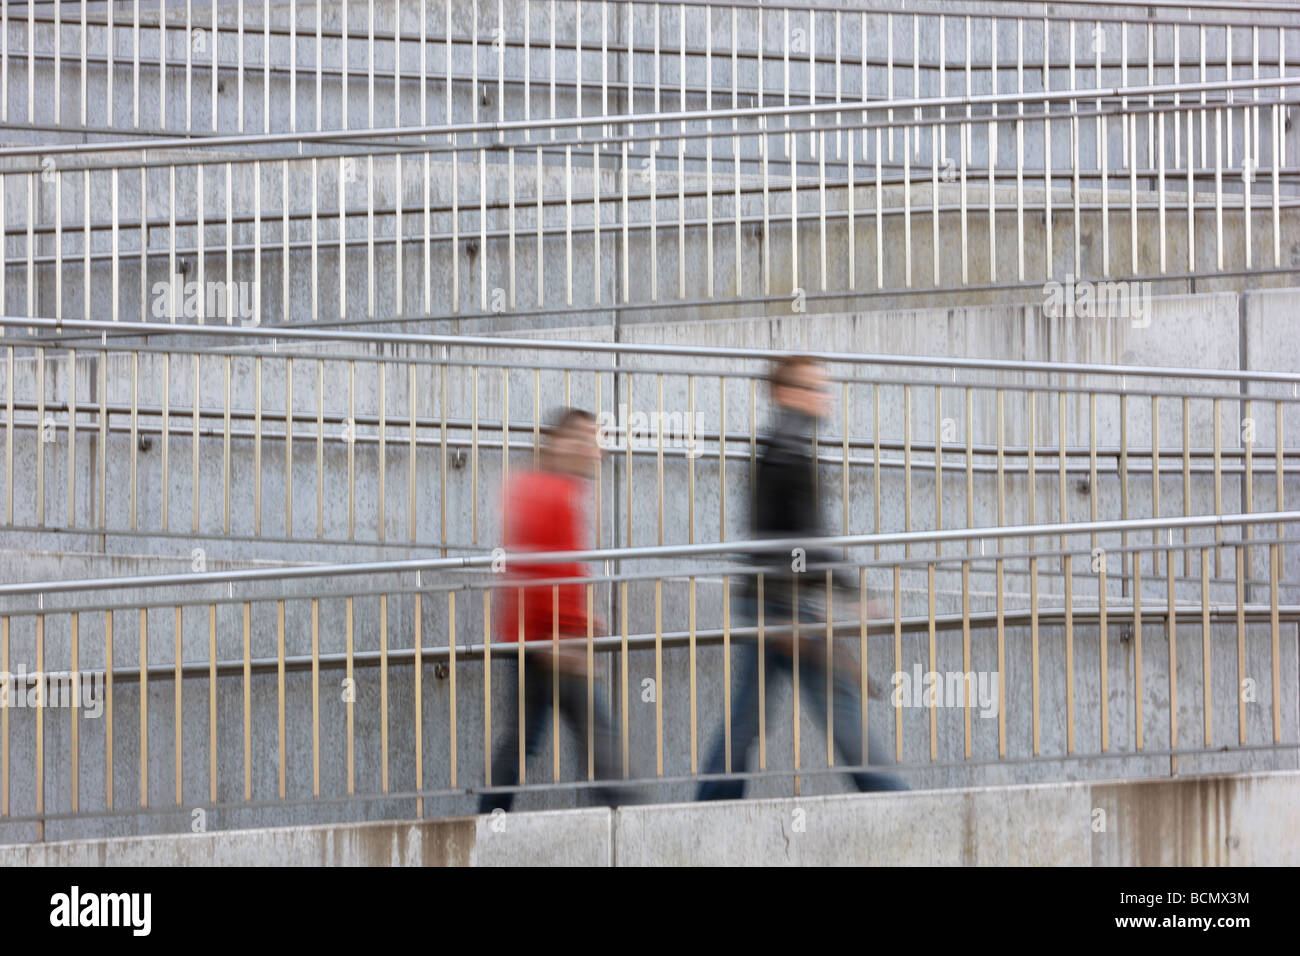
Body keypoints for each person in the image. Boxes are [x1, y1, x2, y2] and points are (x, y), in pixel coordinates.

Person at [697, 355, 907, 800]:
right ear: (787, 394)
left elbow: (788, 539)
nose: (825, 397)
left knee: (748, 719)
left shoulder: (778, 445)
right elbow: (808, 539)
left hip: (775, 604)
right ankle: (894, 799)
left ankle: (709, 805)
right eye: (815, 388)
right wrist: (850, 595)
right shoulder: (790, 452)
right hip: (782, 607)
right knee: (839, 711)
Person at [478, 408, 622, 813]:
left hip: (542, 639)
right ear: (560, 444)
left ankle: (489, 821)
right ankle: (629, 826)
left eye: (596, 443)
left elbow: (553, 569)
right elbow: (535, 572)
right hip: (550, 643)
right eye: (587, 441)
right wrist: (557, 639)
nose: (594, 451)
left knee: (523, 741)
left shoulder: (546, 488)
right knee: (598, 738)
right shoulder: (552, 492)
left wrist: (580, 621)